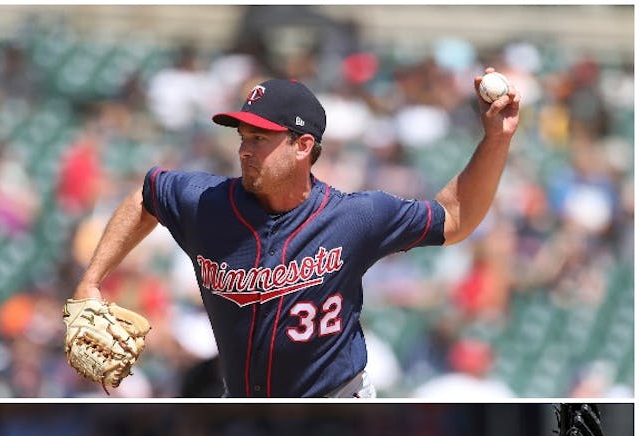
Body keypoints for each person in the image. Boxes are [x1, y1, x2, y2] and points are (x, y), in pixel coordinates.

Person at [71, 71, 520, 397]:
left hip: (340, 400)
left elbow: (454, 218)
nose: (246, 148)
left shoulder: (354, 217)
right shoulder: (205, 202)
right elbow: (146, 197)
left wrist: (495, 141)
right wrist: (91, 281)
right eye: (243, 135)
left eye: (261, 138)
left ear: (304, 146)